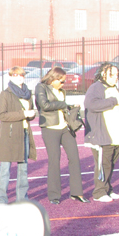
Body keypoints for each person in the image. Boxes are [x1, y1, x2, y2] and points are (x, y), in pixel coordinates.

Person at [34, 66, 88, 204]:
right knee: (54, 160)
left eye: (64, 81)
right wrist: (63, 104)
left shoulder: (61, 91)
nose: (63, 84)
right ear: (53, 78)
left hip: (65, 127)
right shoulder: (41, 87)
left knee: (74, 158)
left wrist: (71, 107)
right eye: (61, 81)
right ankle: (54, 195)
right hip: (50, 128)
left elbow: (60, 107)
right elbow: (44, 105)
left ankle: (77, 192)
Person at [83, 62, 119, 202]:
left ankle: (107, 189)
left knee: (110, 164)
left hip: (117, 135)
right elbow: (91, 105)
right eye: (112, 74)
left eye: (117, 75)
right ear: (103, 74)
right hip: (103, 135)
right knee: (103, 165)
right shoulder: (96, 87)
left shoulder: (115, 89)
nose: (115, 77)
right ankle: (99, 192)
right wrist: (114, 100)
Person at [0, 66, 37, 204]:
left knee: (23, 169)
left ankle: (22, 200)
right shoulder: (5, 94)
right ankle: (0, 201)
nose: (19, 78)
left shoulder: (28, 93)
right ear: (11, 76)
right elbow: (2, 115)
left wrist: (31, 114)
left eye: (21, 75)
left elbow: (30, 113)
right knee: (5, 169)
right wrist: (23, 114)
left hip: (24, 133)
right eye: (15, 75)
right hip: (9, 135)